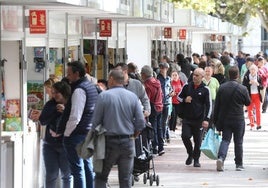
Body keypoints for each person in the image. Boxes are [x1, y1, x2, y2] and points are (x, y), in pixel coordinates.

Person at [92, 69, 145, 188]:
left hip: (108, 142)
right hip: (128, 142)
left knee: (101, 177)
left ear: (111, 79)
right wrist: (134, 135)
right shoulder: (132, 97)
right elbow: (141, 122)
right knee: (125, 179)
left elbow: (95, 122)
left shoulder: (104, 96)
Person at [59, 61, 98, 188]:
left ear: (77, 74)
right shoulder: (90, 86)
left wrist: (67, 134)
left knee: (77, 170)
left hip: (77, 134)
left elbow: (75, 115)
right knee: (87, 166)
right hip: (87, 131)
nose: (67, 77)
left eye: (69, 74)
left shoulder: (79, 90)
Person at [214, 66, 251, 172]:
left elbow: (217, 106)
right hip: (238, 119)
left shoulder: (222, 87)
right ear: (238, 75)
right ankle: (239, 164)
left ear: (228, 74)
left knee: (225, 140)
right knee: (238, 142)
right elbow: (248, 102)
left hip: (226, 119)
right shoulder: (242, 88)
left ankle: (221, 158)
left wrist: (216, 121)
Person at [38, 81, 72, 188]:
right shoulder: (50, 104)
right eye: (52, 92)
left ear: (64, 93)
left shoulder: (71, 104)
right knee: (51, 175)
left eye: (56, 92)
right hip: (50, 145)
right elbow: (42, 120)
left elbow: (77, 120)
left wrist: (65, 111)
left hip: (66, 145)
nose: (53, 95)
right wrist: (56, 112)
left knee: (66, 175)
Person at [178, 68, 212, 167]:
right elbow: (178, 98)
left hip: (199, 119)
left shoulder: (206, 89)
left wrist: (206, 119)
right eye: (194, 74)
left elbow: (209, 105)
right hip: (187, 118)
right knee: (185, 136)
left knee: (198, 141)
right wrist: (185, 99)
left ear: (202, 77)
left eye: (197, 75)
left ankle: (196, 159)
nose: (194, 77)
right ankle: (190, 153)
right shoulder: (187, 86)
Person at [141, 65, 164, 156]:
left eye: (142, 73)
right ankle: (161, 147)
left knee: (152, 128)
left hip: (153, 106)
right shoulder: (157, 81)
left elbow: (147, 98)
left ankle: (154, 147)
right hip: (159, 106)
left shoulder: (148, 84)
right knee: (159, 127)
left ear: (144, 74)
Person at [242, 64, 263, 130]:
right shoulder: (246, 77)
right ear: (249, 70)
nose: (253, 71)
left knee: (258, 110)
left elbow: (262, 87)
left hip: (257, 95)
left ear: (256, 70)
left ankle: (259, 124)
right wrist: (249, 83)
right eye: (251, 69)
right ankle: (252, 124)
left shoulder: (259, 77)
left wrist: (258, 84)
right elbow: (243, 86)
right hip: (249, 95)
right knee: (249, 110)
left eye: (254, 69)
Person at [157, 62, 172, 147]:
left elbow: (170, 88)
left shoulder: (168, 79)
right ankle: (162, 138)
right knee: (160, 122)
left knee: (164, 122)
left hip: (167, 102)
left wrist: (171, 93)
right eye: (162, 68)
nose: (163, 70)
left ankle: (164, 137)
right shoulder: (158, 78)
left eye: (164, 68)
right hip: (160, 102)